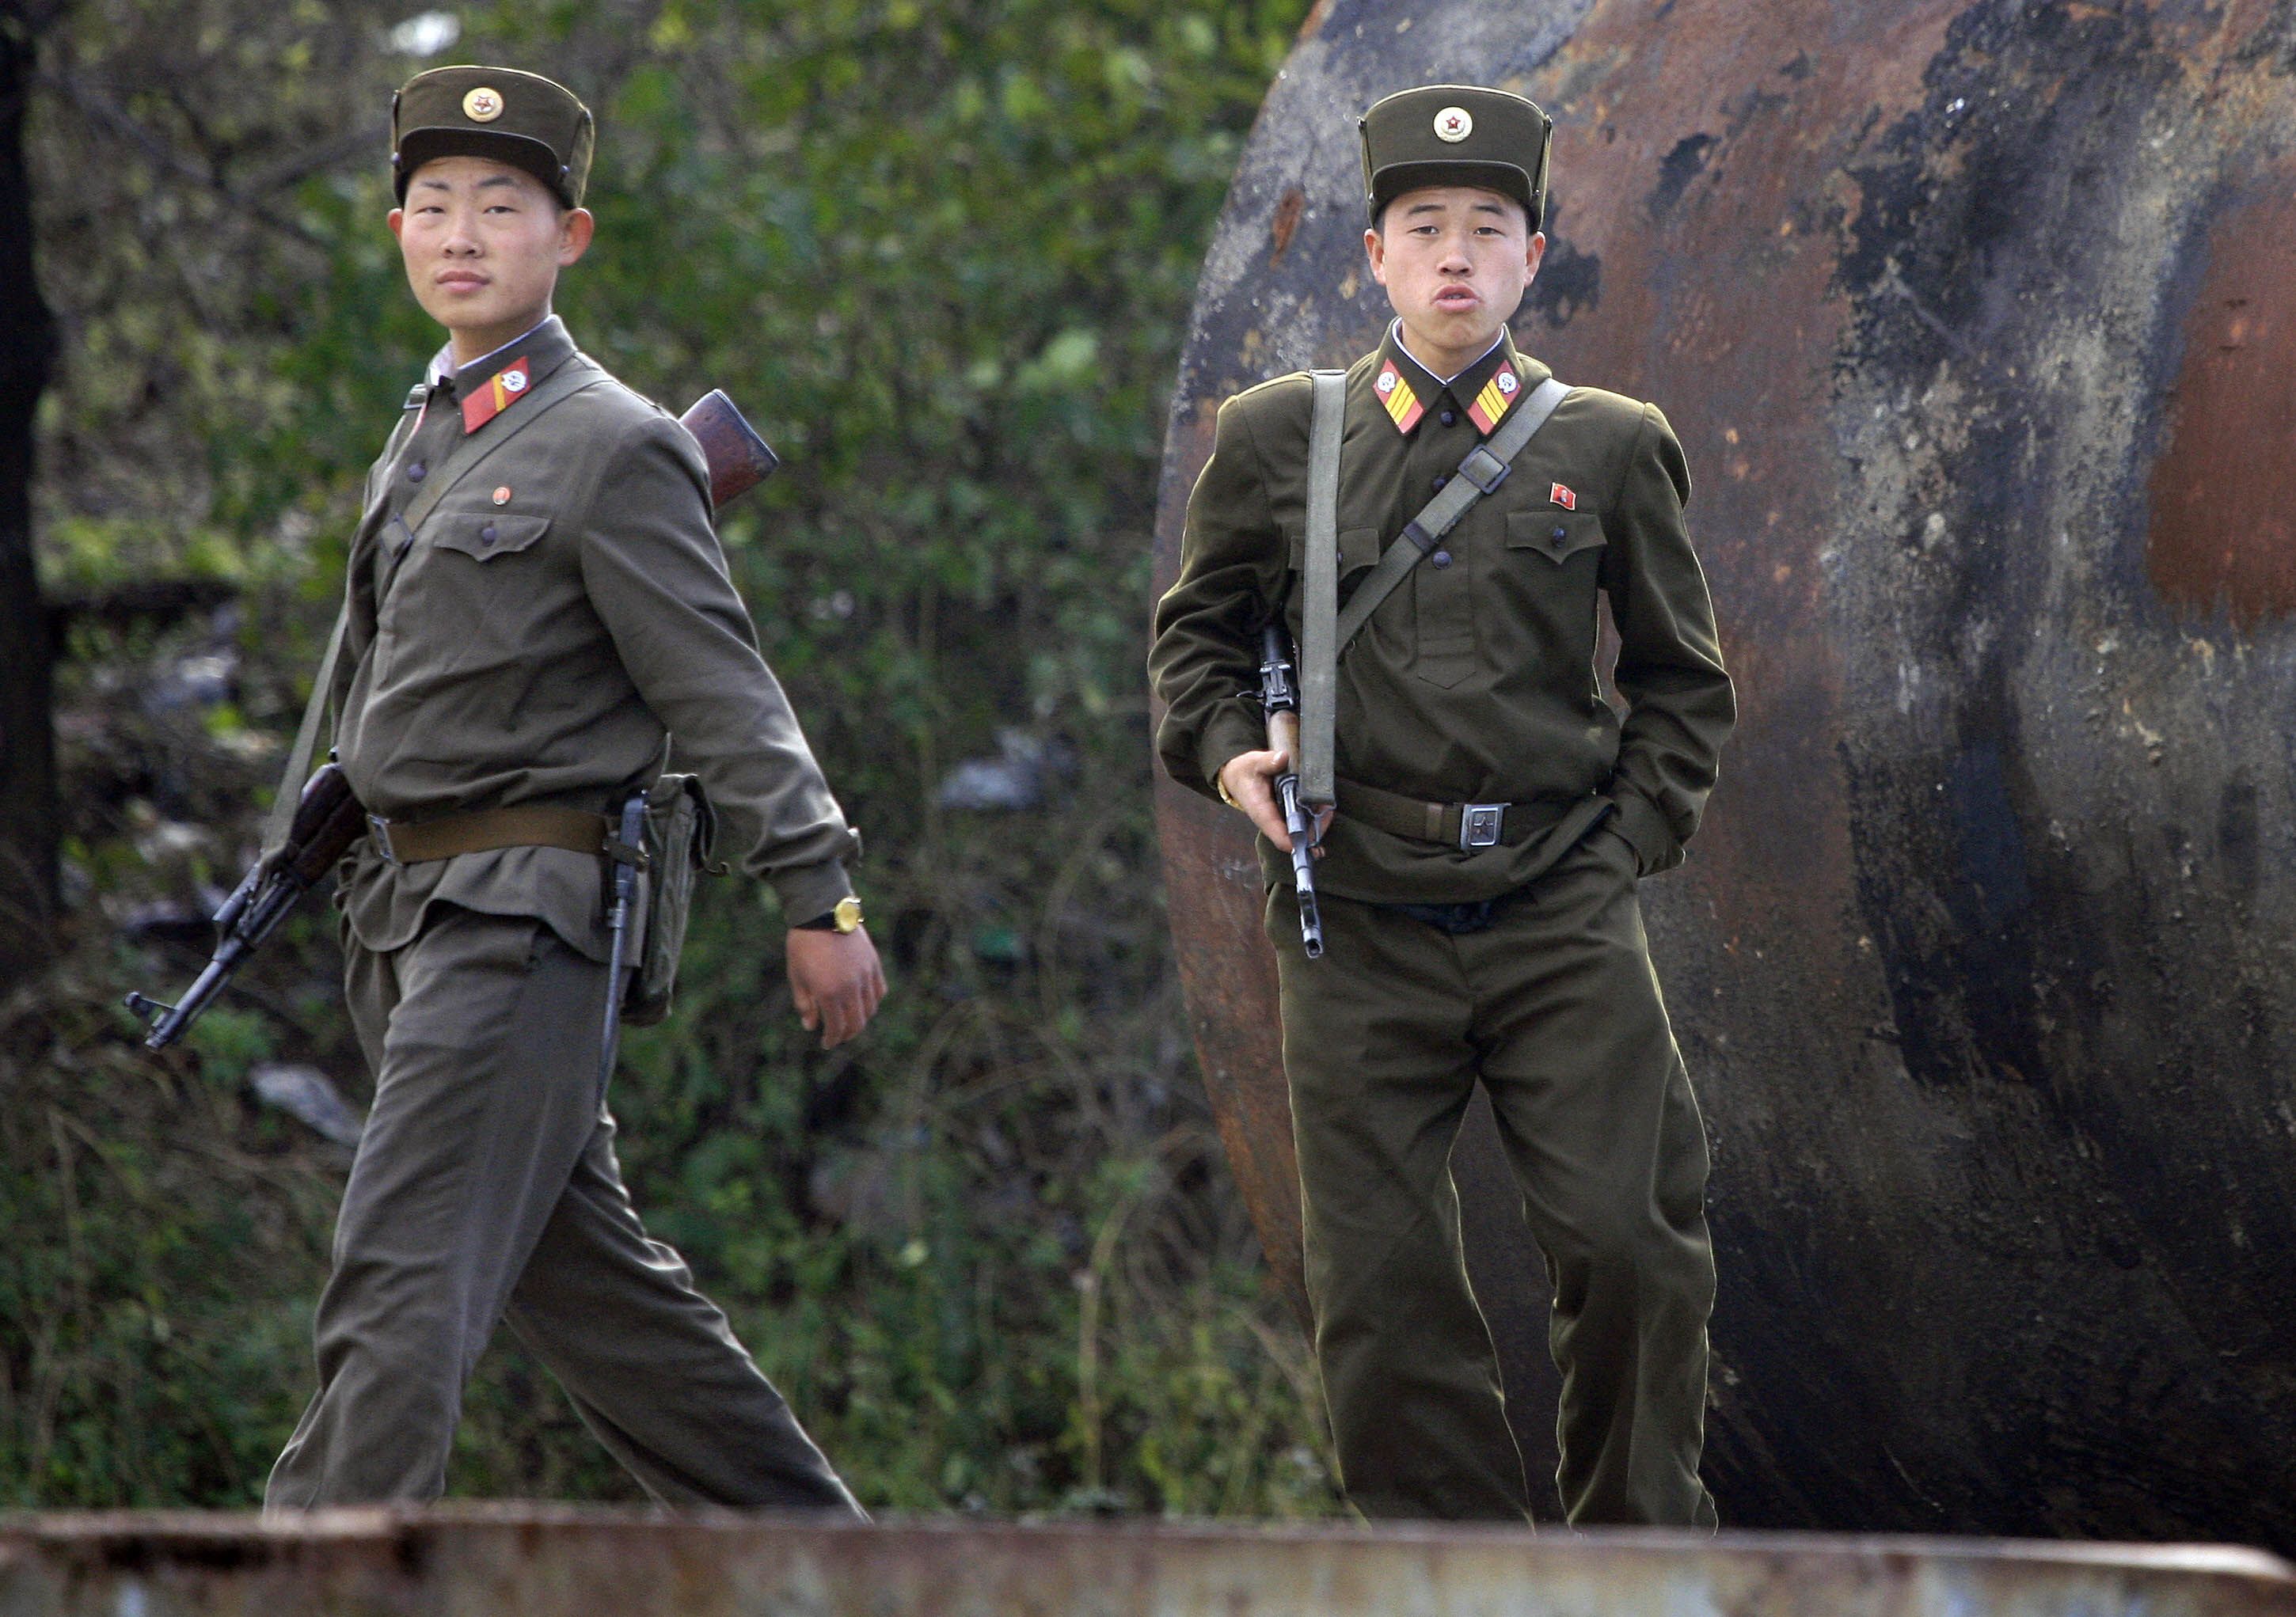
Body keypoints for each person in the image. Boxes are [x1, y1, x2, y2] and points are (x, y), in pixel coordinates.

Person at [264, 65, 883, 1513]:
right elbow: (377, 693)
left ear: (571, 237)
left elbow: (721, 689)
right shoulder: (428, 435)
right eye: (430, 207)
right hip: (403, 924)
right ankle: (837, 1572)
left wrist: (820, 891)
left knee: (399, 1282)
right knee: (608, 1311)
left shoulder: (615, 443)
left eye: (500, 205)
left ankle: (312, 1578)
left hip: (518, 922)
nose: (460, 233)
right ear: (399, 234)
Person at [1149, 84, 1735, 1528]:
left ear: (1535, 257)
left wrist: (1617, 853)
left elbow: (1683, 684)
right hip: (1354, 920)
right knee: (1383, 1292)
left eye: (1490, 227)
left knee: (1633, 1248)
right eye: (1426, 229)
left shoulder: (1605, 444)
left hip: (1553, 907)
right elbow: (1197, 640)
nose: (1457, 253)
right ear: (1375, 256)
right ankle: (1452, 1576)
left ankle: (1640, 1567)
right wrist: (1235, 755)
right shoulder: (1288, 435)